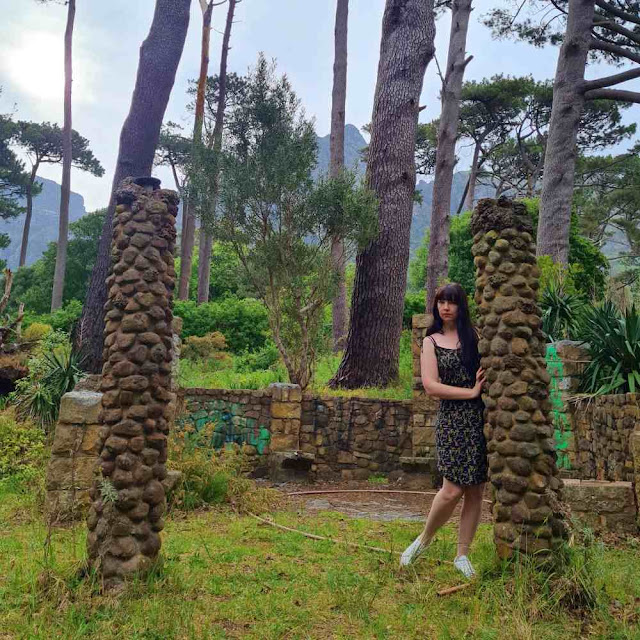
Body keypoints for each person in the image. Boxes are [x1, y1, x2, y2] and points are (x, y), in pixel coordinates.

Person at [400, 283, 487, 578]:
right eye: (441, 302)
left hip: (479, 420)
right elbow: (431, 386)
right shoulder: (431, 341)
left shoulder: (474, 337)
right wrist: (470, 392)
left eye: (451, 302)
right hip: (452, 420)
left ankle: (462, 555)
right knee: (451, 490)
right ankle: (423, 540)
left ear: (461, 306)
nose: (445, 307)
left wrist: (479, 391)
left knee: (476, 490)